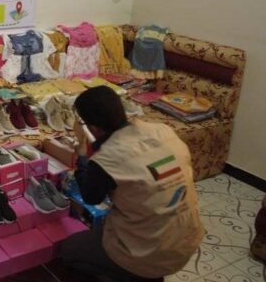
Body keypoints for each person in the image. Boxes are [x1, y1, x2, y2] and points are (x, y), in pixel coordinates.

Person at [60, 86, 204, 282]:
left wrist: (82, 157)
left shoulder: (107, 158)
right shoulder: (162, 130)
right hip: (187, 240)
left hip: (147, 252)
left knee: (69, 249)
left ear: (92, 128)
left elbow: (91, 197)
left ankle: (131, 273)